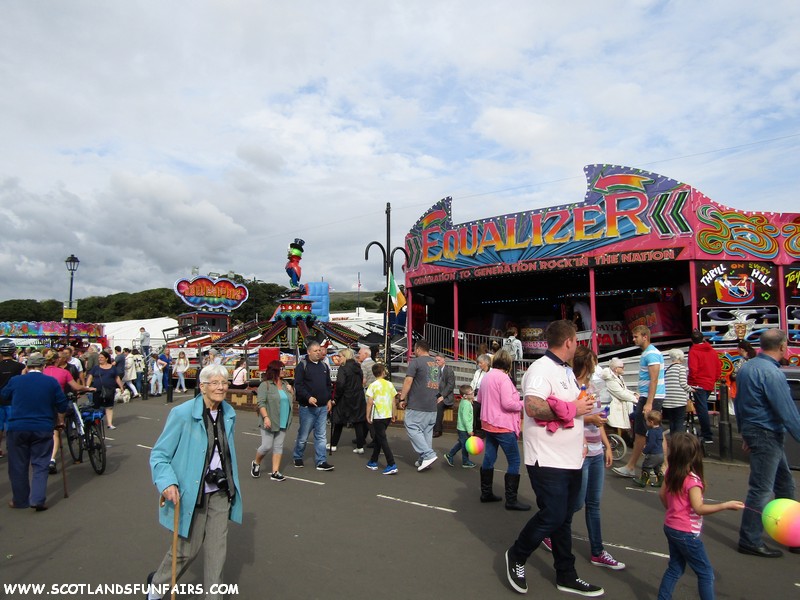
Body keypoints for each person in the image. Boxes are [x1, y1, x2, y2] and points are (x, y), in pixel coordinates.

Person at [504, 320, 600, 597]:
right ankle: (517, 555)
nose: (577, 346)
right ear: (569, 342)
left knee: (564, 519)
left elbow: (570, 409)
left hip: (570, 458)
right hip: (546, 458)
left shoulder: (566, 371)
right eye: (576, 342)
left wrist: (585, 414)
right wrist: (574, 408)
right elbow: (533, 407)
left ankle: (566, 575)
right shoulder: (540, 370)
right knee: (554, 514)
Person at [147, 364, 242, 600]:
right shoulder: (182, 414)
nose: (221, 387)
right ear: (202, 386)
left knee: (217, 553)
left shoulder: (228, 413)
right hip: (192, 493)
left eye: (224, 382)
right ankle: (157, 586)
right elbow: (159, 455)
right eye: (215, 383)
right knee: (186, 551)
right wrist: (168, 482)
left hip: (220, 492)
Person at [543, 345, 624, 569]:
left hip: (596, 449)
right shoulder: (569, 387)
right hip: (578, 451)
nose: (594, 369)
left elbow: (598, 418)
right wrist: (590, 421)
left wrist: (607, 445)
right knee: (576, 502)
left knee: (594, 504)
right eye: (591, 365)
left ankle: (598, 551)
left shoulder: (593, 386)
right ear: (583, 365)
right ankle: (552, 531)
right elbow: (566, 417)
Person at [734, 329, 800, 558]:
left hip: (757, 431)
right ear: (782, 346)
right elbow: (787, 411)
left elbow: (738, 403)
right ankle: (750, 539)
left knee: (785, 485)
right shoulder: (772, 373)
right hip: (767, 433)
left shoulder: (748, 368)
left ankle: (792, 534)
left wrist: (744, 433)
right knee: (761, 489)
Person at [656, 433, 744, 599]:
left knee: (675, 568)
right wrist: (725, 505)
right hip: (686, 533)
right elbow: (699, 508)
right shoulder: (692, 481)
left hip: (671, 527)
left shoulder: (671, 473)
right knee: (705, 573)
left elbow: (662, 495)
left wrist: (673, 512)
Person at [1, 352, 68, 511]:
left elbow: (3, 395)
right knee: (40, 463)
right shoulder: (51, 382)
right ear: (43, 366)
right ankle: (37, 499)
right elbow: (62, 404)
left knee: (18, 465)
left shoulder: (16, 380)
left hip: (18, 426)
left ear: (27, 366)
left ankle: (20, 499)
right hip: (42, 427)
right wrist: (59, 420)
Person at [477, 349, 529, 510]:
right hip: (503, 425)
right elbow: (508, 404)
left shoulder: (487, 377)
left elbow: (479, 398)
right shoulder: (504, 379)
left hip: (488, 422)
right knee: (514, 460)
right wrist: (523, 403)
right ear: (508, 364)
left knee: (490, 457)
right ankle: (511, 500)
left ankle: (486, 493)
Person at [613, 325, 665, 478]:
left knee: (646, 432)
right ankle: (653, 466)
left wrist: (649, 402)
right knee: (647, 432)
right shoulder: (648, 353)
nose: (633, 339)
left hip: (651, 398)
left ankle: (634, 466)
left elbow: (654, 380)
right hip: (647, 396)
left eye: (636, 336)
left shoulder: (651, 354)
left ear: (645, 336)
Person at [292, 341, 334, 471]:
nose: (318, 353)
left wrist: (328, 399)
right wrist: (308, 397)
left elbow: (328, 385)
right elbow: (298, 385)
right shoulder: (302, 366)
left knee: (321, 435)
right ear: (309, 352)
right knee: (303, 435)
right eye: (315, 351)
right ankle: (297, 456)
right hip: (307, 408)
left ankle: (321, 461)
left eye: (319, 350)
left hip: (322, 407)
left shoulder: (324, 366)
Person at [398, 340, 439, 472]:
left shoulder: (415, 362)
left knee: (411, 425)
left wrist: (402, 398)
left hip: (418, 404)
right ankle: (424, 459)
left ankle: (428, 454)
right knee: (426, 431)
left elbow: (408, 381)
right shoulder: (435, 364)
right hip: (431, 405)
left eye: (414, 349)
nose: (414, 352)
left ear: (419, 349)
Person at [251, 360, 293, 482]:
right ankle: (256, 462)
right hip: (270, 419)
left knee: (279, 446)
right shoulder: (266, 385)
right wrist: (266, 417)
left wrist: (292, 391)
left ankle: (275, 472)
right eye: (282, 369)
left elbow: (288, 400)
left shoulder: (286, 384)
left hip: (284, 419)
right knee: (266, 446)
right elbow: (261, 403)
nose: (285, 371)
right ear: (275, 370)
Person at [329, 348, 368, 454]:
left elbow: (340, 384)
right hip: (358, 397)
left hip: (345, 397)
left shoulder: (343, 368)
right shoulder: (357, 367)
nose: (338, 358)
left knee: (338, 421)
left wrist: (335, 398)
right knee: (358, 422)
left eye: (340, 356)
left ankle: (333, 444)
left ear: (345, 357)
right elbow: (361, 381)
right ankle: (360, 446)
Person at [687, 329, 721, 444]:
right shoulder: (711, 350)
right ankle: (706, 434)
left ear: (692, 340)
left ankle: (707, 435)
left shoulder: (694, 351)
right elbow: (718, 367)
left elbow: (693, 369)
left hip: (698, 383)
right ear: (703, 339)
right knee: (703, 408)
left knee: (702, 409)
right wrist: (713, 379)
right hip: (709, 382)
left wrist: (690, 382)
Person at [365, 362, 398, 474]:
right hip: (387, 414)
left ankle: (391, 463)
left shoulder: (373, 386)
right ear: (383, 372)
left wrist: (367, 415)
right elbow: (394, 401)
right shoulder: (389, 384)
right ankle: (373, 460)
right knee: (379, 438)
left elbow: (369, 402)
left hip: (378, 415)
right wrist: (394, 413)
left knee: (382, 439)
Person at [85, 350, 124, 430]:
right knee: (97, 407)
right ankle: (97, 423)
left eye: (101, 357)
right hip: (97, 390)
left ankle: (109, 424)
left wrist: (121, 386)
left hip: (110, 390)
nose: (100, 359)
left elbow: (117, 378)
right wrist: (87, 386)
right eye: (99, 358)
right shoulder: (96, 368)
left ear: (106, 358)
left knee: (109, 407)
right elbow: (90, 377)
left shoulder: (113, 368)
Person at [0, 338, 25, 459]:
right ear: (13, 351)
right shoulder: (20, 366)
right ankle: (12, 446)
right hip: (14, 400)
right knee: (12, 425)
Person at [601, 357, 636, 435]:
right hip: (616, 406)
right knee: (637, 413)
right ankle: (633, 436)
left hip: (622, 402)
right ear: (616, 369)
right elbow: (621, 393)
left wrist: (634, 394)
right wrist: (636, 399)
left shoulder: (619, 377)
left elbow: (624, 390)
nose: (624, 368)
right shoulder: (610, 380)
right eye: (622, 367)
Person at [444, 384, 476, 469]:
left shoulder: (465, 401)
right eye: (471, 393)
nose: (473, 394)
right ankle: (465, 461)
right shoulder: (466, 404)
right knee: (465, 446)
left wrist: (470, 401)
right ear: (465, 396)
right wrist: (469, 430)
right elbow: (465, 418)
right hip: (464, 429)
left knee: (461, 444)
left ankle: (449, 455)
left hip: (461, 428)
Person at [663, 349, 692, 434]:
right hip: (679, 400)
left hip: (668, 401)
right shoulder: (681, 368)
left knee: (672, 422)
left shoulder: (667, 369)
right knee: (679, 422)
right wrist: (691, 389)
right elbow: (683, 383)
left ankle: (673, 441)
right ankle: (679, 443)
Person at [634, 410, 665, 488]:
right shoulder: (660, 430)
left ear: (651, 422)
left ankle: (643, 481)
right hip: (660, 454)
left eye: (647, 421)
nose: (646, 422)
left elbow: (651, 444)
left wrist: (644, 451)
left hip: (653, 454)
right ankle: (661, 480)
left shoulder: (651, 432)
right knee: (657, 468)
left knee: (646, 466)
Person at [433, 354, 455, 437]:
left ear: (443, 360)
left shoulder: (449, 371)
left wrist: (442, 396)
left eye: (438, 360)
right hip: (436, 394)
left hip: (446, 396)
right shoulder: (435, 370)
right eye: (436, 360)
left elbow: (450, 386)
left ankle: (438, 430)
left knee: (439, 406)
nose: (437, 362)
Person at [470, 354, 491, 436]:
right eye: (478, 363)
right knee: (473, 412)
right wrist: (471, 393)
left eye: (481, 363)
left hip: (487, 398)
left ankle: (483, 431)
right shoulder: (477, 372)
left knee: (483, 415)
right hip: (476, 397)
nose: (479, 365)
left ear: (487, 363)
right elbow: (473, 383)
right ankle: (473, 430)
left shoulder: (492, 372)